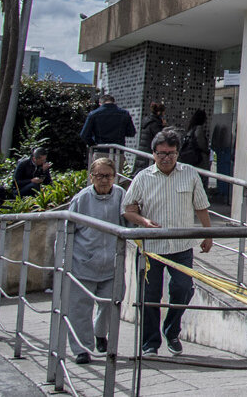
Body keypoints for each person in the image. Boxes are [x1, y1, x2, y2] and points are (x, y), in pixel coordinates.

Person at [123, 129, 213, 355]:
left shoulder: (189, 174)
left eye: (171, 153)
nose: (166, 158)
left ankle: (172, 330)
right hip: (151, 248)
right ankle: (150, 343)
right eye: (161, 153)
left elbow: (201, 206)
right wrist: (143, 221)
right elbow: (128, 210)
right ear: (153, 154)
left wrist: (208, 234)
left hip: (181, 247)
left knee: (183, 290)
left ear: (177, 153)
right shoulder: (143, 177)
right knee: (149, 297)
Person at [64, 157, 125, 364]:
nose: (104, 180)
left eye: (108, 176)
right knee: (80, 308)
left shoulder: (120, 195)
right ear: (91, 178)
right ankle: (82, 348)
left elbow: (128, 222)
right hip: (83, 262)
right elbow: (66, 230)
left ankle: (101, 334)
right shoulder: (81, 199)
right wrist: (62, 260)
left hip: (111, 264)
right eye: (99, 176)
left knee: (110, 303)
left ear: (114, 177)